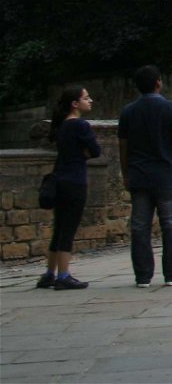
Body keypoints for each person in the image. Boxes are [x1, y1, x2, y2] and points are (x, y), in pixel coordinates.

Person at [118, 65, 172, 288]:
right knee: (170, 225)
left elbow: (123, 146)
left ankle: (142, 276)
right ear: (158, 82)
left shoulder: (127, 112)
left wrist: (126, 174)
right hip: (164, 175)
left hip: (139, 175)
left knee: (140, 226)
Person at [37, 86, 101, 291]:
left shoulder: (61, 126)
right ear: (75, 104)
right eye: (86, 97)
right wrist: (84, 154)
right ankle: (63, 275)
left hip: (60, 179)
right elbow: (96, 151)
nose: (90, 101)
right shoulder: (80, 125)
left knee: (59, 228)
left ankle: (49, 273)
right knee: (68, 229)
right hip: (75, 181)